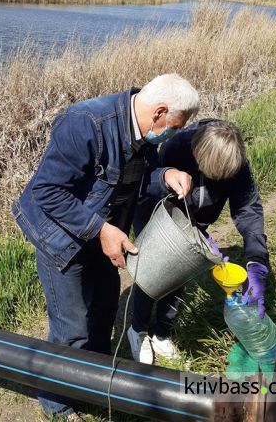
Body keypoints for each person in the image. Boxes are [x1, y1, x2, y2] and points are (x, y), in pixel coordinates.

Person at [11, 74, 199, 420]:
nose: (173, 134)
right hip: (62, 240)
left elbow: (142, 180)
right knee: (72, 330)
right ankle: (56, 403)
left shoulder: (144, 134)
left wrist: (166, 174)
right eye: (175, 126)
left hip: (105, 236)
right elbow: (46, 191)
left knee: (103, 313)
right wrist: (100, 229)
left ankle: (90, 382)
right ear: (159, 112)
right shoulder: (84, 124)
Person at [127, 119, 270, 365]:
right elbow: (149, 189)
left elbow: (248, 209)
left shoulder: (235, 161)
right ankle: (138, 328)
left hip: (196, 223)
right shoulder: (177, 146)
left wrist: (256, 260)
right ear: (198, 156)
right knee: (152, 270)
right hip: (159, 216)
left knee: (181, 274)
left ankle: (162, 331)